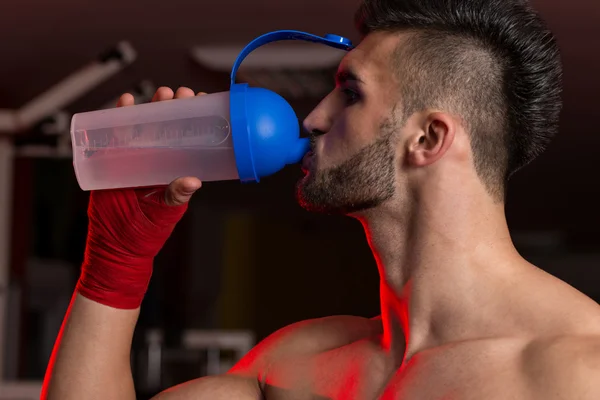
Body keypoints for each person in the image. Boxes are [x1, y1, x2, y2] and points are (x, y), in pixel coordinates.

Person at [42, 0, 600, 399]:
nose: (313, 117)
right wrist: (117, 262)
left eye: (350, 93)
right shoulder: (300, 363)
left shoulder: (578, 371)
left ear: (428, 139)